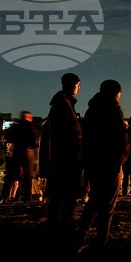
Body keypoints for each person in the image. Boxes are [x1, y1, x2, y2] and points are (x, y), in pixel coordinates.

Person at [76, 79, 130, 253]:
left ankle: (81, 235)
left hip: (93, 161)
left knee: (95, 200)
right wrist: (121, 158)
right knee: (107, 203)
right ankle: (102, 240)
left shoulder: (92, 110)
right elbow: (120, 138)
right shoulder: (113, 110)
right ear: (117, 93)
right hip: (110, 162)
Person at [41, 72, 84, 241]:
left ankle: (58, 223)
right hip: (65, 158)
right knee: (65, 193)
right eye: (78, 84)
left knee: (60, 193)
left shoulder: (61, 104)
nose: (79, 88)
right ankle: (63, 226)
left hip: (62, 158)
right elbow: (70, 133)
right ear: (71, 84)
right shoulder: (62, 105)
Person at [9, 111, 40, 203]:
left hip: (17, 152)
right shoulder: (31, 127)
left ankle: (11, 197)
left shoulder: (16, 127)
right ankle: (27, 196)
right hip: (28, 153)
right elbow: (35, 141)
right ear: (29, 118)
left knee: (14, 176)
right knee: (27, 177)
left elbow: (9, 137)